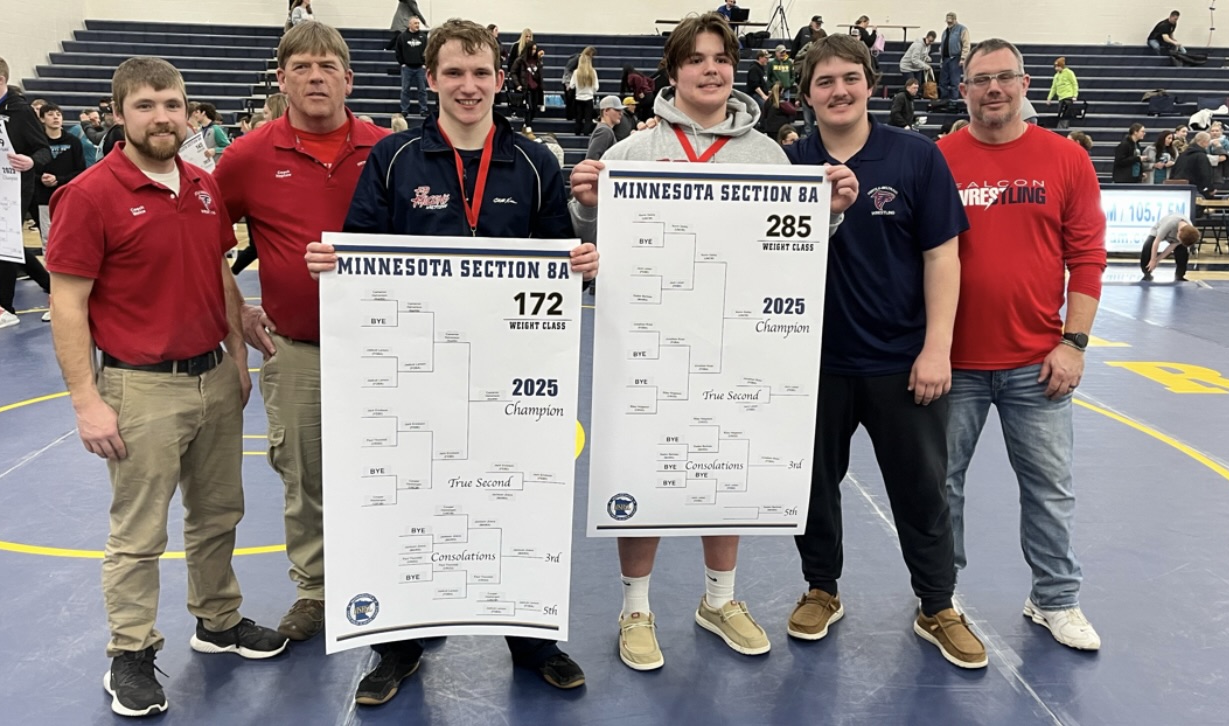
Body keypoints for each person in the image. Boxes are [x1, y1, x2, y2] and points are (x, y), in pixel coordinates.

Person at [303, 18, 599, 706]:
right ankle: (399, 645)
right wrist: (334, 262)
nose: (469, 86)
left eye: (481, 72)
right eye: (455, 73)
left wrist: (581, 265)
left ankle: (532, 640)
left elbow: (558, 260)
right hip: (416, 375)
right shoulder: (395, 158)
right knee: (411, 502)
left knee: (520, 499)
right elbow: (360, 249)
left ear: (499, 79)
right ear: (431, 77)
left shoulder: (535, 162)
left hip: (512, 376)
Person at [566, 12, 858, 673]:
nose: (710, 69)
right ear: (673, 73)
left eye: (721, 58)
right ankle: (635, 609)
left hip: (736, 342)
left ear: (734, 68)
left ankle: (719, 600)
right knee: (642, 472)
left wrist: (831, 215)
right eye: (695, 59)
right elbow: (591, 236)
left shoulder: (767, 156)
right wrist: (585, 204)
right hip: (645, 345)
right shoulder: (633, 152)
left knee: (724, 467)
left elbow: (792, 249)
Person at [44, 56, 288, 719]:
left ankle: (218, 620)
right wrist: (86, 402)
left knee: (219, 513)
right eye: (146, 105)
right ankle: (130, 650)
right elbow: (67, 305)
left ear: (188, 112)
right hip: (140, 388)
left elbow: (217, 271)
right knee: (139, 532)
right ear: (119, 113)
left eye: (173, 105)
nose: (162, 117)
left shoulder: (202, 185)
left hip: (213, 377)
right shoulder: (89, 195)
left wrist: (236, 352)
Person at [782, 33, 985, 669]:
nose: (838, 90)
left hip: (902, 361)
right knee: (812, 488)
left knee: (922, 490)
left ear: (871, 85)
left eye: (850, 78)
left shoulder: (916, 157)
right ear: (806, 94)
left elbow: (943, 257)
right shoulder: (788, 164)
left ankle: (937, 604)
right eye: (824, 81)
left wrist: (937, 349)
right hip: (815, 363)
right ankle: (821, 588)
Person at [215, 22, 390, 644]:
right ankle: (315, 589)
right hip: (298, 349)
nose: (316, 78)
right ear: (282, 79)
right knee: (304, 474)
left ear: (349, 78)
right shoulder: (247, 156)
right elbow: (202, 237)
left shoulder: (390, 150)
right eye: (302, 67)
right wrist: (238, 309)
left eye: (327, 66)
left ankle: (398, 581)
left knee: (395, 469)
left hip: (387, 350)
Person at [937, 38, 1106, 652]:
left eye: (1005, 77)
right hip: (952, 364)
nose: (994, 89)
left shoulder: (1066, 159)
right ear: (963, 90)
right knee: (941, 487)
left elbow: (1088, 257)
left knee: (1049, 488)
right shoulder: (938, 159)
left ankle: (1054, 599)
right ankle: (940, 597)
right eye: (981, 80)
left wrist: (1074, 343)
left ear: (1025, 84)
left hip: (1039, 364)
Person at [0, 55, 52, 330]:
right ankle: (55, 290)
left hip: (16, 184)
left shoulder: (21, 110)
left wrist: (31, 162)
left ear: (1, 79)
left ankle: (6, 307)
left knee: (3, 242)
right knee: (9, 244)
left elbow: (43, 149)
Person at [34, 102, 87, 256]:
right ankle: (49, 268)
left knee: (70, 235)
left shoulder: (73, 142)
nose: (55, 117)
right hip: (44, 197)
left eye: (58, 114)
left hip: (67, 195)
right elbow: (29, 169)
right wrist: (41, 179)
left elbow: (81, 171)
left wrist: (59, 179)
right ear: (42, 119)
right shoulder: (37, 143)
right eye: (50, 114)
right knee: (48, 237)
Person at [1140, 214, 1200, 282]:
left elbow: (1172, 246)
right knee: (1147, 247)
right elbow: (1156, 242)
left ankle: (1179, 276)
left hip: (1176, 236)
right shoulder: (1169, 224)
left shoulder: (1189, 230)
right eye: (1179, 238)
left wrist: (1158, 260)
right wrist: (1153, 260)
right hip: (1158, 232)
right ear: (1179, 231)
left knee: (1182, 251)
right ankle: (1147, 274)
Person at [395, 16, 429, 115]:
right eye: (415, 23)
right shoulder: (402, 37)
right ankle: (404, 110)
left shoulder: (423, 37)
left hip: (420, 68)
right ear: (409, 24)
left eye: (418, 23)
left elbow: (428, 51)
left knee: (422, 90)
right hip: (407, 68)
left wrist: (425, 63)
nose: (417, 25)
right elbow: (398, 51)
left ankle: (423, 109)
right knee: (405, 90)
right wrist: (402, 63)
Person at [1171, 130, 1216, 197]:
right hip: (1195, 189)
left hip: (1178, 188)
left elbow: (1174, 171)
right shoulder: (1201, 156)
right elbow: (1205, 174)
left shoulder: (1183, 154)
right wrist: (1210, 189)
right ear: (1204, 142)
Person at [567, 47, 599, 135]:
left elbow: (572, 85)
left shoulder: (576, 72)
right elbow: (596, 87)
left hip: (578, 98)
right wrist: (591, 91)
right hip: (589, 98)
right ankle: (586, 132)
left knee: (578, 118)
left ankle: (577, 132)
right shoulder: (593, 72)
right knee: (588, 118)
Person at [940, 13, 970, 101]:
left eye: (950, 21)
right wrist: (941, 59)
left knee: (954, 82)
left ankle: (954, 101)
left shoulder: (962, 29)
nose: (949, 23)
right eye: (948, 21)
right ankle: (943, 101)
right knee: (943, 82)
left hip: (955, 58)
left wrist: (963, 58)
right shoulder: (945, 32)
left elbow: (966, 44)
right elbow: (943, 45)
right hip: (945, 58)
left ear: (955, 20)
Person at [586, 95, 624, 160]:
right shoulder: (604, 131)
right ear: (606, 110)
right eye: (617, 110)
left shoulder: (605, 129)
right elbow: (591, 159)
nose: (621, 113)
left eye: (621, 110)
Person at [1046, 57, 1078, 129]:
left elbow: (1074, 84)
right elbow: (1053, 87)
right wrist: (1049, 98)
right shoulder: (1056, 76)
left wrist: (1075, 95)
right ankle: (1064, 128)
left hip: (1068, 96)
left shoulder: (1069, 73)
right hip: (1060, 98)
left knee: (1065, 114)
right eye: (1055, 67)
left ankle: (1062, 128)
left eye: (1058, 66)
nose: (1056, 68)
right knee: (1061, 114)